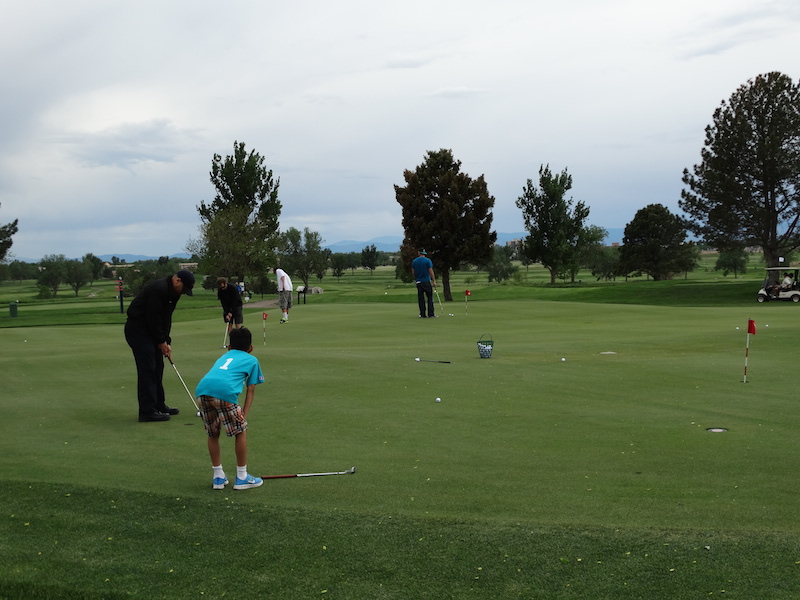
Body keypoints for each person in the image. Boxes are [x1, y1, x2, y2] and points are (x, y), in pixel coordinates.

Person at [195, 327, 265, 490]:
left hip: (202, 391)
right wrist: (244, 414)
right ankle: (242, 477)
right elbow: (251, 389)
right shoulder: (252, 359)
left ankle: (218, 477)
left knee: (213, 432)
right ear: (251, 348)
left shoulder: (223, 356)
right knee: (240, 431)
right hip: (224, 393)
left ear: (229, 346)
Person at [124, 270, 195, 422]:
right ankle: (147, 411)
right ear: (177, 281)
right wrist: (160, 341)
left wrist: (166, 341)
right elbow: (153, 317)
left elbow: (165, 318)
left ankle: (158, 405)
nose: (183, 293)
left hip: (150, 332)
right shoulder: (159, 289)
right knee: (148, 369)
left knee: (158, 367)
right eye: (184, 289)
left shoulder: (173, 294)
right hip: (138, 330)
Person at [411, 248, 437, 318]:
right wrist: (434, 280)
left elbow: (413, 272)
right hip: (426, 281)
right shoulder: (427, 261)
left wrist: (415, 279)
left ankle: (422, 314)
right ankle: (430, 314)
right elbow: (430, 271)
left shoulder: (414, 261)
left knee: (421, 298)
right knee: (430, 297)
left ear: (418, 253)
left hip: (419, 282)